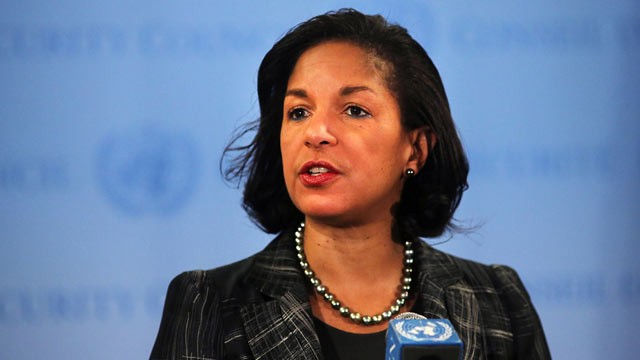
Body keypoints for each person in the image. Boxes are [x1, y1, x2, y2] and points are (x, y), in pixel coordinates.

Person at [150, 8, 550, 360]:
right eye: (299, 111)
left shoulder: (497, 301)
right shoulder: (211, 305)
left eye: (354, 110)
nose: (316, 132)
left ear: (415, 149)